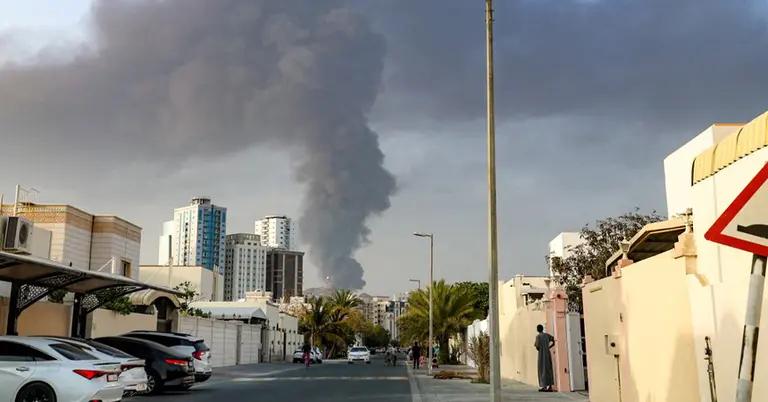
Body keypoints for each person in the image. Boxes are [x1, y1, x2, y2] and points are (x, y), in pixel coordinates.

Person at [534, 324, 556, 392]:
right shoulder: (547, 335)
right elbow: (554, 340)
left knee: (542, 369)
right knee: (549, 369)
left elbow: (537, 346)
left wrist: (539, 349)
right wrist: (549, 347)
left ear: (538, 329)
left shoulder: (538, 336)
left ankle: (544, 386)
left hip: (541, 354)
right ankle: (550, 386)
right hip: (547, 353)